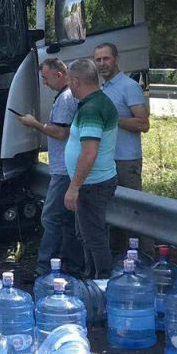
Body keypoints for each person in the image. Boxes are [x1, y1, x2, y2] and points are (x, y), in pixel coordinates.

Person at [17, 57, 83, 277]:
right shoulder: (66, 96)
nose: (44, 83)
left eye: (45, 78)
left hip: (63, 169)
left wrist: (34, 124)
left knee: (50, 218)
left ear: (59, 74)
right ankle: (70, 264)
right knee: (66, 220)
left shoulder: (65, 98)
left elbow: (61, 132)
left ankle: (44, 268)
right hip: (64, 167)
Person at [62, 57, 119, 279]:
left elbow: (89, 152)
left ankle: (102, 284)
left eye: (69, 82)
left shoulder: (92, 109)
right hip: (94, 181)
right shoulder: (99, 101)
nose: (69, 87)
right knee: (86, 234)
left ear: (76, 81)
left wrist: (74, 187)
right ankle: (92, 278)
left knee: (93, 237)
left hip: (92, 184)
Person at [93, 42, 149, 190]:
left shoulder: (129, 86)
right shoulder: (103, 88)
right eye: (98, 60)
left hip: (126, 161)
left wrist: (113, 118)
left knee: (129, 209)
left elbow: (144, 124)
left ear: (116, 59)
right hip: (106, 160)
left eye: (106, 58)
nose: (102, 64)